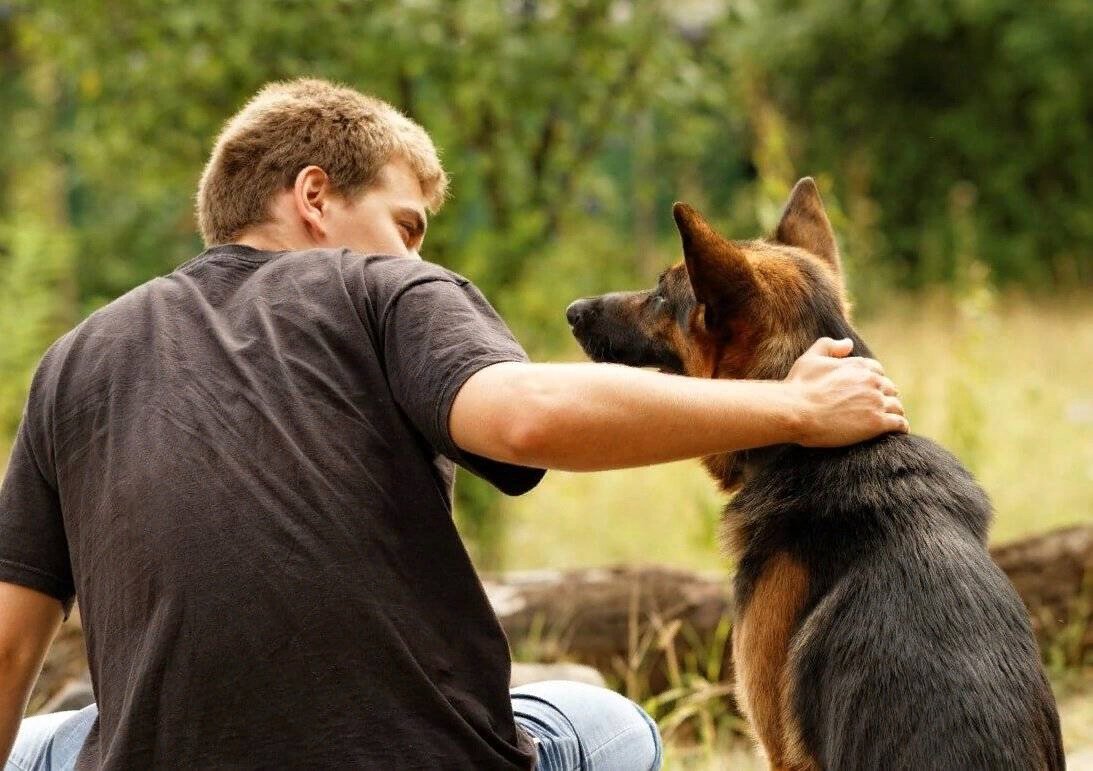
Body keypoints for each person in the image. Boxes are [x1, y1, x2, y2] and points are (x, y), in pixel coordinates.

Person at [0, 79, 906, 771]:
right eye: (407, 222)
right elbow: (523, 417)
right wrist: (794, 405)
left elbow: (7, 647)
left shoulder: (72, 360)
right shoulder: (383, 286)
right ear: (315, 197)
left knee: (47, 736)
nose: (415, 250)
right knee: (611, 723)